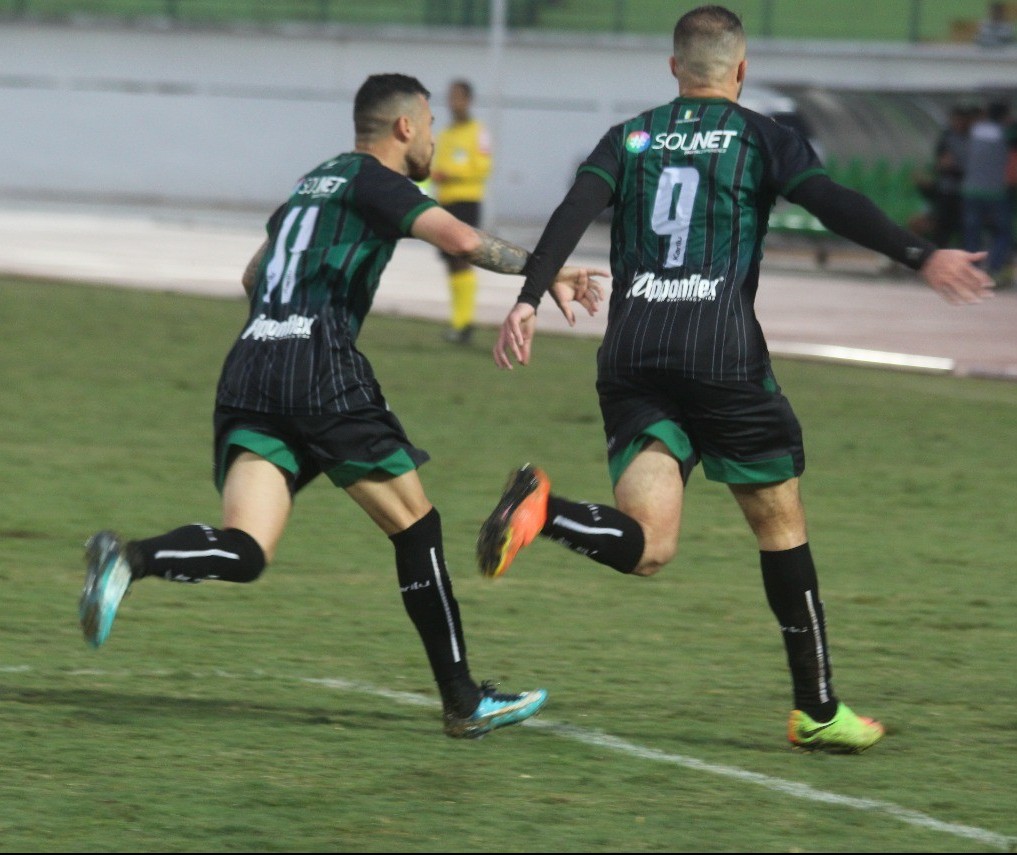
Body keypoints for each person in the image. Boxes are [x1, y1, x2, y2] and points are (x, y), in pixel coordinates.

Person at [475, 5, 994, 754]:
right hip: (717, 355)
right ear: (740, 71)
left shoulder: (631, 136)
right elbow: (833, 202)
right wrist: (921, 256)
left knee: (649, 546)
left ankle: (544, 512)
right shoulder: (761, 136)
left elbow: (572, 210)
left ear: (672, 69)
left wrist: (527, 297)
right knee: (779, 523)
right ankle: (815, 708)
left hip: (631, 354)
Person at [77, 73, 604, 740]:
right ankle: (463, 699)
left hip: (248, 366)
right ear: (404, 127)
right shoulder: (376, 181)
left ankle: (130, 560)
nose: (435, 140)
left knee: (245, 547)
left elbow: (252, 276)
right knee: (415, 526)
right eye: (430, 127)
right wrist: (547, 271)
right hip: (316, 365)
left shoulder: (310, 184)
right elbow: (464, 241)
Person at [430, 79, 493, 345]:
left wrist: (452, 173)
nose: (453, 102)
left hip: (467, 200)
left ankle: (465, 322)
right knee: (450, 262)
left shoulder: (479, 132)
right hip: (446, 201)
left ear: (468, 100)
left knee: (463, 259)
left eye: (458, 97)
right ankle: (457, 321)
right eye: (450, 96)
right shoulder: (445, 133)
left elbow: (482, 166)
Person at [962, 100, 1014, 285]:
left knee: (972, 233)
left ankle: (972, 271)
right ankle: (993, 270)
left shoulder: (975, 131)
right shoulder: (1007, 132)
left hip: (971, 190)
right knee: (1002, 233)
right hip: (995, 192)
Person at [929, 104, 974, 248]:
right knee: (942, 225)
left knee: (963, 225)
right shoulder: (947, 137)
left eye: (961, 120)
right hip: (947, 189)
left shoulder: (971, 138)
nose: (958, 123)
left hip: (964, 190)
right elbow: (942, 162)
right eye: (955, 120)